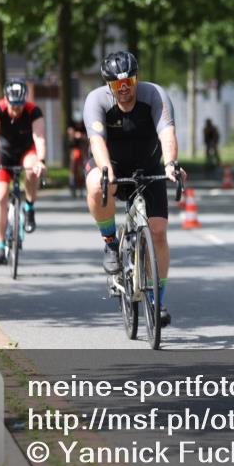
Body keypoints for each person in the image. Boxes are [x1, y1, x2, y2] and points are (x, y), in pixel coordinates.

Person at [82, 51, 184, 327]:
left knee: (159, 232)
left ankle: (157, 299)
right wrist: (106, 169)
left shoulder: (154, 95)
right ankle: (110, 244)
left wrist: (172, 164)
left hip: (148, 167)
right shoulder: (96, 100)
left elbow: (167, 134)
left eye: (129, 82)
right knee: (95, 183)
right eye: (117, 85)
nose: (124, 89)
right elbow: (97, 142)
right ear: (108, 86)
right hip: (111, 165)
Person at [0, 79, 47, 264]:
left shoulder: (33, 111)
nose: (17, 109)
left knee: (32, 168)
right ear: (6, 99)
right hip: (3, 154)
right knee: (1, 195)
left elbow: (40, 138)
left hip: (26, 151)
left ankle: (29, 207)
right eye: (13, 105)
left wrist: (41, 161)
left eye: (20, 104)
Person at [67, 114, 88, 196]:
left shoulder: (84, 127)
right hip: (75, 150)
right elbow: (70, 137)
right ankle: (72, 179)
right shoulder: (72, 127)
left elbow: (88, 139)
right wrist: (73, 134)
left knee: (84, 163)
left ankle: (84, 179)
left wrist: (81, 136)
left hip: (83, 149)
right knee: (74, 160)